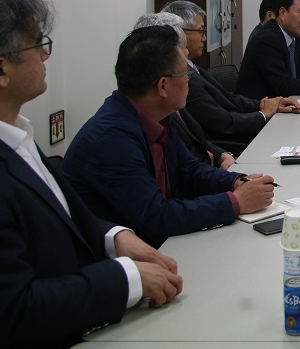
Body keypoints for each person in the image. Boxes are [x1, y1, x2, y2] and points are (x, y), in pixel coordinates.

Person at [0, 0, 182, 347]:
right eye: (38, 44)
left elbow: (59, 218)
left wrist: (115, 238)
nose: (45, 55)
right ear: (0, 71)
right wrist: (127, 279)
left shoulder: (10, 130)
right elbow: (12, 311)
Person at [62, 26, 276, 248]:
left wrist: (235, 181)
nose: (189, 80)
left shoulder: (157, 115)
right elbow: (156, 217)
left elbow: (190, 170)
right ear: (163, 86)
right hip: (125, 257)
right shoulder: (111, 140)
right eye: (185, 74)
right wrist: (235, 202)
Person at [161, 1, 300, 143]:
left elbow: (230, 99)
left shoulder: (194, 68)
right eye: (201, 30)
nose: (205, 38)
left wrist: (264, 104)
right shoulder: (185, 80)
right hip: (232, 143)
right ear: (180, 33)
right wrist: (263, 114)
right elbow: (223, 124)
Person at [134, 11, 234, 168]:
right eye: (182, 48)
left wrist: (223, 157)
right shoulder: (131, 132)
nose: (186, 54)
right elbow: (185, 174)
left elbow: (197, 148)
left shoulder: (166, 108)